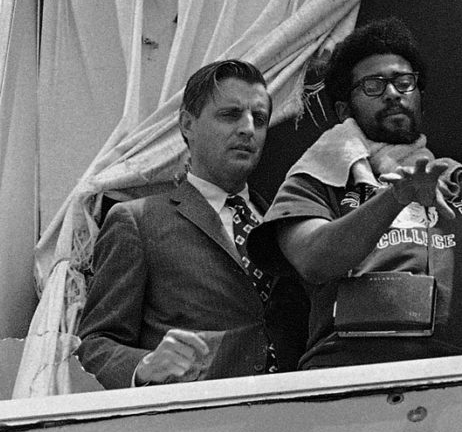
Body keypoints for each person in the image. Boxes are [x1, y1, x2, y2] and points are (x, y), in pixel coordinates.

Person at [247, 18, 462, 370]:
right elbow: (314, 260)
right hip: (342, 378)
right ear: (344, 111)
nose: (393, 93)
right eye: (373, 85)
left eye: (403, 82)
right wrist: (395, 198)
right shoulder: (317, 182)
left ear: (420, 98)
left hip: (458, 378)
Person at [76, 60, 305, 388]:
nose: (247, 129)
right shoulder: (137, 221)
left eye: (260, 118)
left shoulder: (287, 224)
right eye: (230, 114)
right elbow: (95, 346)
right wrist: (144, 364)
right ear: (187, 124)